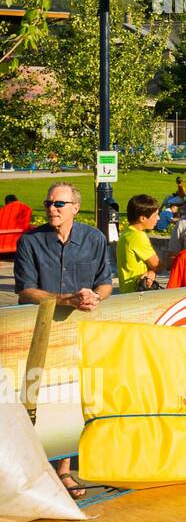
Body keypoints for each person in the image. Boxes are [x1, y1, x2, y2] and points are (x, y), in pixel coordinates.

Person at [14, 182, 113, 497]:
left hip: (78, 332)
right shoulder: (30, 241)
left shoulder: (94, 239)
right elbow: (25, 290)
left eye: (58, 203)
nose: (51, 208)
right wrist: (64, 298)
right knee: (30, 399)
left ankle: (64, 471)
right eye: (48, 203)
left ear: (74, 207)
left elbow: (105, 282)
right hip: (38, 331)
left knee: (70, 400)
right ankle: (29, 469)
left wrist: (94, 297)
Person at [117, 194, 162, 293]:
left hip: (126, 290)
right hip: (138, 293)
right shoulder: (138, 236)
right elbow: (157, 265)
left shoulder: (127, 231)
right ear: (142, 218)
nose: (158, 218)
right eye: (155, 215)